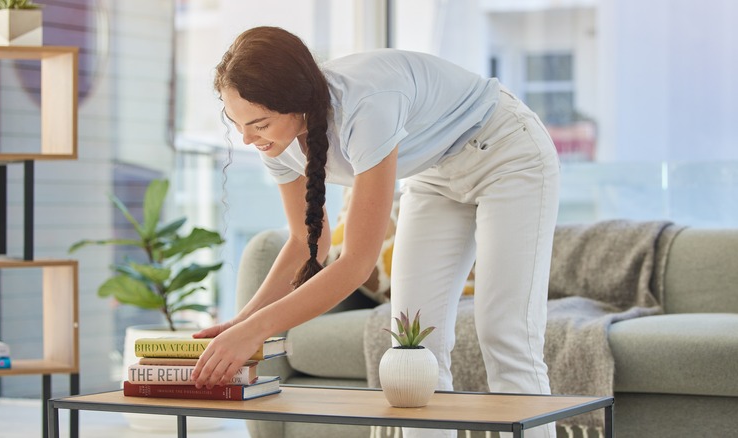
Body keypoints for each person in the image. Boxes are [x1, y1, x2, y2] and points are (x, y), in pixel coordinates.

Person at [191, 26, 560, 438]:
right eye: (237, 123)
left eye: (258, 124)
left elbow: (355, 263)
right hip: (433, 173)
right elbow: (304, 242)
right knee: (413, 344)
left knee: (505, 334)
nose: (246, 138)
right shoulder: (275, 142)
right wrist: (241, 323)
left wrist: (257, 331)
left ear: (296, 103)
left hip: (507, 151)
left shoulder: (366, 102)